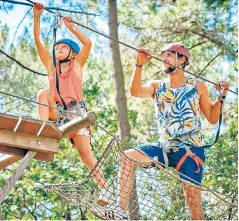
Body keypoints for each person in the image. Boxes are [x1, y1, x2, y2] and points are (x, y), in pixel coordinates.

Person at [105, 43, 230, 220]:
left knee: (193, 203)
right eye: (163, 55)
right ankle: (119, 209)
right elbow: (135, 91)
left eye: (169, 55)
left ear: (182, 59)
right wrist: (139, 64)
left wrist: (221, 96)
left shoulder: (197, 87)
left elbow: (211, 117)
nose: (164, 58)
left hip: (191, 150)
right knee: (127, 156)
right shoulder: (157, 86)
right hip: (165, 148)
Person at [33, 2, 111, 206]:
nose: (58, 49)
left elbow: (88, 45)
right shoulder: (52, 68)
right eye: (57, 47)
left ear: (73, 54)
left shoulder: (76, 66)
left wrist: (72, 28)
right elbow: (38, 41)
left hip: (77, 114)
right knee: (42, 93)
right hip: (57, 114)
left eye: (63, 47)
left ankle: (105, 190)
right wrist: (37, 16)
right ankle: (44, 129)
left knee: (86, 154)